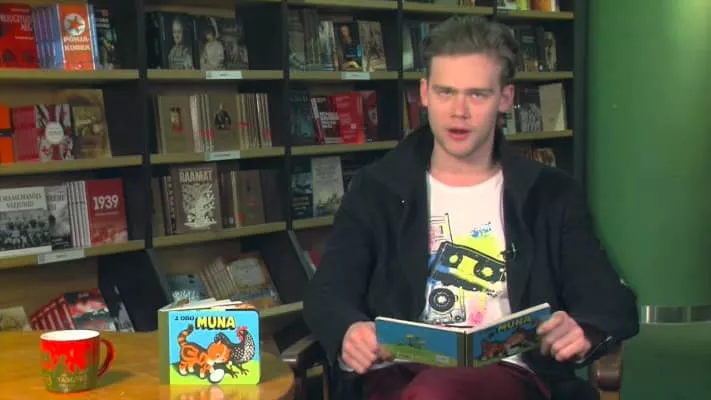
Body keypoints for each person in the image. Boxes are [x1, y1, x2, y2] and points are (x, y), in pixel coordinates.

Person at [302, 15, 639, 400]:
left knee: (438, 393)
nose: (458, 111)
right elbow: (328, 291)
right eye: (445, 92)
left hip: (510, 375)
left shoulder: (551, 195)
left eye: (477, 95)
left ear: (505, 98)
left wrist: (583, 329)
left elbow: (610, 299)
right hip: (396, 374)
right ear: (424, 93)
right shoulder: (375, 189)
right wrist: (350, 329)